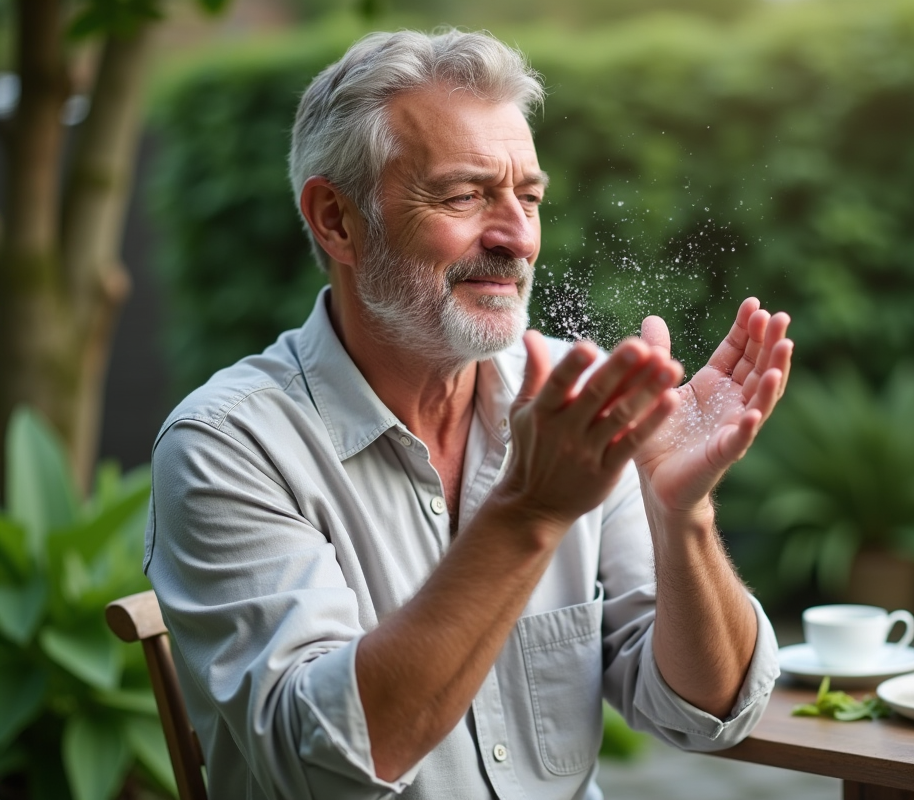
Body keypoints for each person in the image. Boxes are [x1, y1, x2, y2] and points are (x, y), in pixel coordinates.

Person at [145, 28, 793, 800]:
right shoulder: (229, 445)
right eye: (464, 194)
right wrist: (528, 512)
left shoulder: (566, 401)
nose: (517, 237)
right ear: (336, 220)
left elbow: (707, 713)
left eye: (528, 197)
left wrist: (680, 512)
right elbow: (324, 767)